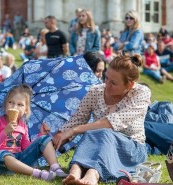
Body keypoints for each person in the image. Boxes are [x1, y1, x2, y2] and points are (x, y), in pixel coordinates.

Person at [53, 52, 151, 184]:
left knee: (103, 131)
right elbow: (78, 118)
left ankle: (93, 174)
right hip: (100, 142)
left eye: (114, 83)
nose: (107, 84)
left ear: (130, 85)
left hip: (132, 149)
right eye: (106, 78)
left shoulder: (141, 93)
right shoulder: (96, 91)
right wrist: (60, 135)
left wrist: (75, 130)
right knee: (93, 132)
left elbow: (111, 123)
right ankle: (75, 171)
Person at [0, 84, 67, 180]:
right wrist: (5, 132)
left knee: (44, 139)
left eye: (20, 104)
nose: (14, 106)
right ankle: (37, 173)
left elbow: (26, 148)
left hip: (20, 160)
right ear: (5, 105)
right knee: (3, 154)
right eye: (11, 102)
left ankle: (55, 168)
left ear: (25, 110)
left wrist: (41, 135)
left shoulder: (22, 125)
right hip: (1, 162)